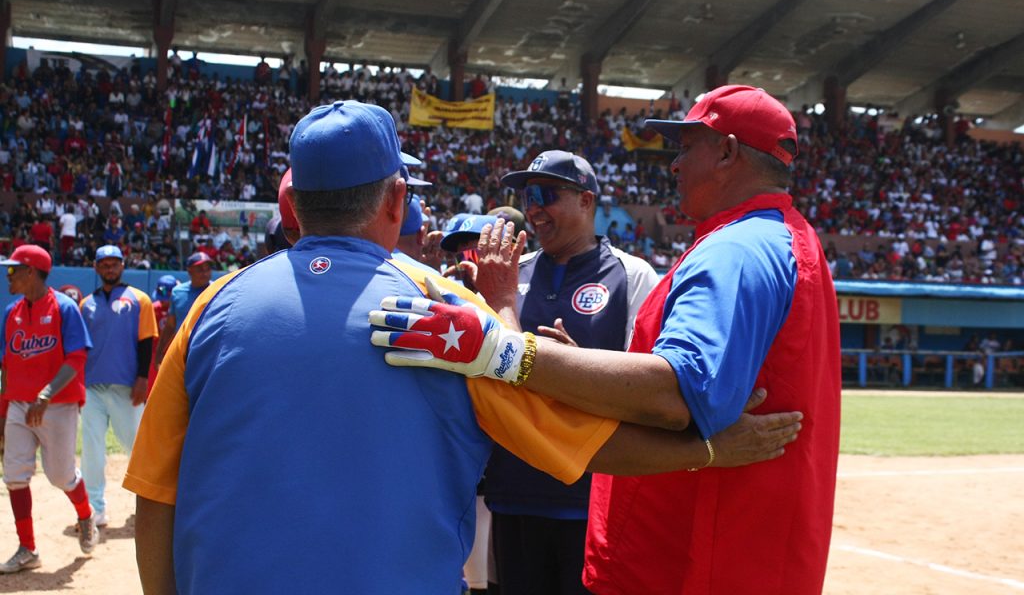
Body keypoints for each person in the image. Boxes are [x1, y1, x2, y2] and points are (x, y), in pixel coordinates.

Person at [125, 100, 801, 594]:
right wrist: (711, 448)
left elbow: (155, 494)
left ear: (295, 203)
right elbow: (588, 444)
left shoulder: (212, 306)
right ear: (397, 200)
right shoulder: (438, 311)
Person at [372, 84, 841, 594]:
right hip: (683, 535)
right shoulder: (781, 239)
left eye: (686, 148)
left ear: (727, 151)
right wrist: (580, 368)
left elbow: (677, 392)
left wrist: (503, 350)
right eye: (527, 197)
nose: (674, 164)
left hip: (696, 556)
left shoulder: (734, 251)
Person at [475, 150, 660, 595]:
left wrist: (576, 369)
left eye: (546, 194)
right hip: (515, 492)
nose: (533, 207)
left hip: (593, 499)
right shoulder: (506, 277)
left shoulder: (632, 277)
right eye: (526, 196)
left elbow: (652, 387)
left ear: (586, 201)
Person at [0, 245, 99, 573]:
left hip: (57, 404)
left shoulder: (65, 307)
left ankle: (85, 515)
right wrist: (3, 414)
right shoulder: (11, 311)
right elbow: (6, 366)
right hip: (18, 403)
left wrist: (45, 393)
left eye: (14, 269)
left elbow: (77, 357)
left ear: (31, 272)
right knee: (14, 475)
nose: (8, 274)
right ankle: (27, 548)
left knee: (60, 475)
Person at [78, 245, 159, 527]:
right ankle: (95, 508)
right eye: (104, 263)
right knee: (92, 449)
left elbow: (146, 341)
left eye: (114, 263)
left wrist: (142, 379)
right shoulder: (85, 303)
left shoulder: (140, 299)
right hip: (91, 387)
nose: (109, 268)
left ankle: (150, 502)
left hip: (128, 387)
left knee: (138, 448)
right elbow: (81, 348)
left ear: (123, 266)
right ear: (96, 268)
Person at [152, 252, 214, 369]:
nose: (205, 272)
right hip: (183, 355)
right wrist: (159, 353)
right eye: (200, 269)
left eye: (208, 268)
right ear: (189, 271)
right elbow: (170, 325)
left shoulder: (218, 290)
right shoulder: (178, 292)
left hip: (209, 354)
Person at [147, 275, 178, 391]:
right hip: (155, 356)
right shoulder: (153, 309)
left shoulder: (182, 309)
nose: (163, 302)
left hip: (175, 355)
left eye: (166, 300)